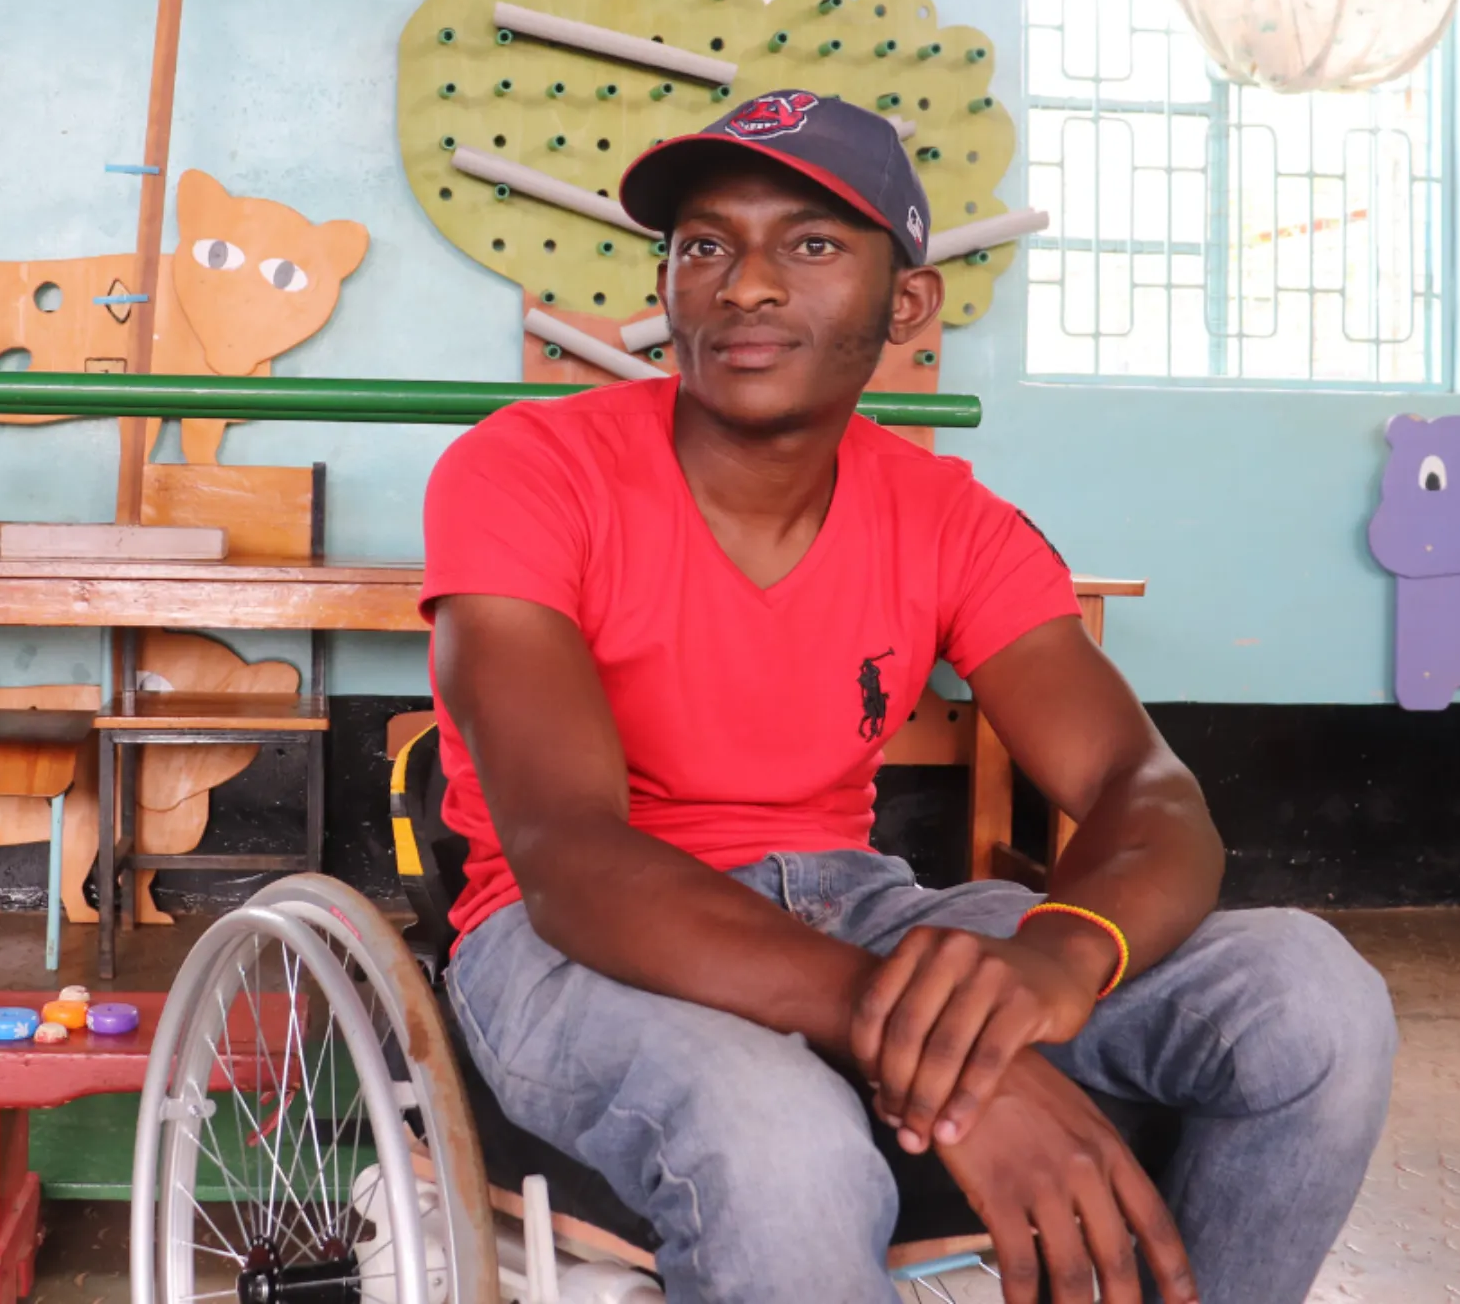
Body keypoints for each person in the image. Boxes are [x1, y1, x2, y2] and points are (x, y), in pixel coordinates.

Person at [423, 91, 1398, 1304]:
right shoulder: (526, 470)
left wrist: (1058, 960)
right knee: (783, 1143)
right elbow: (570, 855)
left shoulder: (951, 522)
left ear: (909, 303)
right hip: (572, 943)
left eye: (815, 245)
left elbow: (1140, 789)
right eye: (706, 246)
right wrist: (943, 1060)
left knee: (1310, 996)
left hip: (856, 907)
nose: (747, 286)